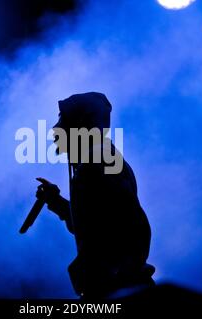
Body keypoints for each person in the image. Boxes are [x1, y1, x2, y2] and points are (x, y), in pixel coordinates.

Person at [36, 92, 154, 298]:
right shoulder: (99, 160)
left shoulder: (97, 163)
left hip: (119, 289)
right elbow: (94, 225)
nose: (56, 128)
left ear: (80, 125)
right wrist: (56, 202)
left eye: (62, 119)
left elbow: (128, 228)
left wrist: (113, 280)